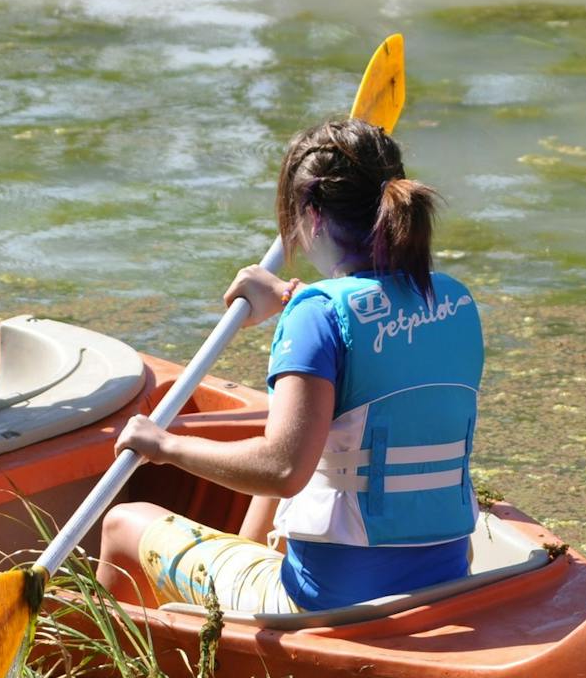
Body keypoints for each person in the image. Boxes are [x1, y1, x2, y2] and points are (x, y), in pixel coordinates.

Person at [101, 117, 483, 614]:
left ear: (311, 214)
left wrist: (165, 445)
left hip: (332, 599)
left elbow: (282, 469)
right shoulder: (453, 298)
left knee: (123, 522)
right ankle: (239, 596)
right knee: (311, 440)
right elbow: (372, 336)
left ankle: (125, 672)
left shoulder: (317, 316)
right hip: (445, 577)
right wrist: (287, 298)